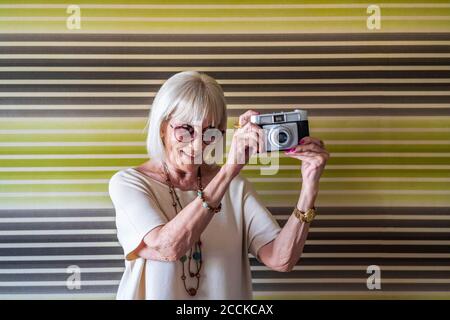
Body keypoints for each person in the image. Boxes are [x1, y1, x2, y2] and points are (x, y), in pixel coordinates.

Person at [108, 71, 329, 299]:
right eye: (186, 130)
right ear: (163, 127)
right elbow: (167, 248)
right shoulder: (129, 183)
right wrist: (229, 169)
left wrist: (309, 186)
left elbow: (281, 260)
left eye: (210, 133)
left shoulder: (235, 188)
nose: (197, 145)